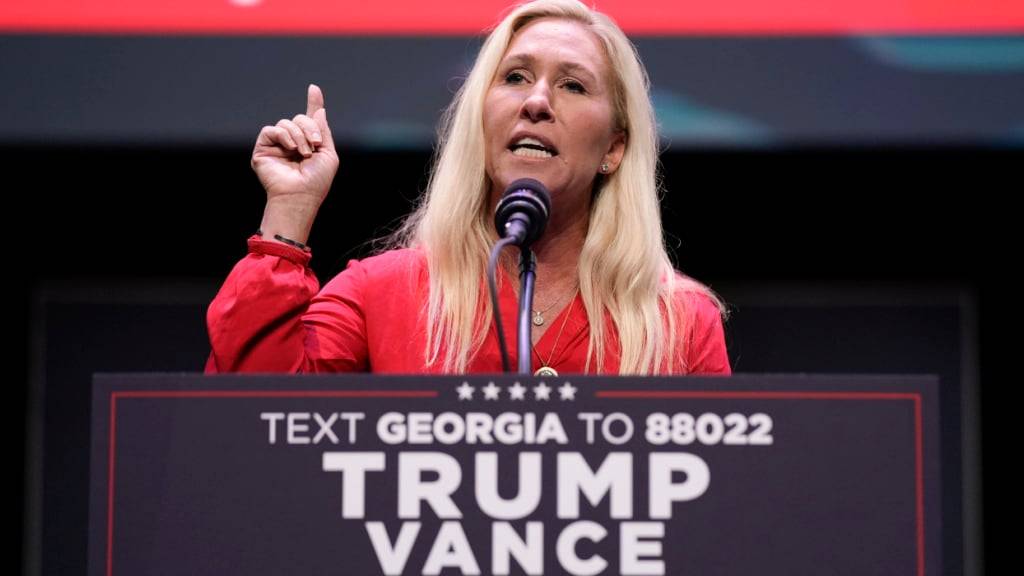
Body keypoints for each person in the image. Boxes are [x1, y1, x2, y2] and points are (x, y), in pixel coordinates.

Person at [205, 0, 730, 375]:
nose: (537, 102)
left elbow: (721, 505)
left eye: (572, 85)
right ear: (480, 120)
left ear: (614, 149)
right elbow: (253, 426)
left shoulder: (679, 322)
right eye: (515, 77)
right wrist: (288, 213)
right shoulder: (382, 292)